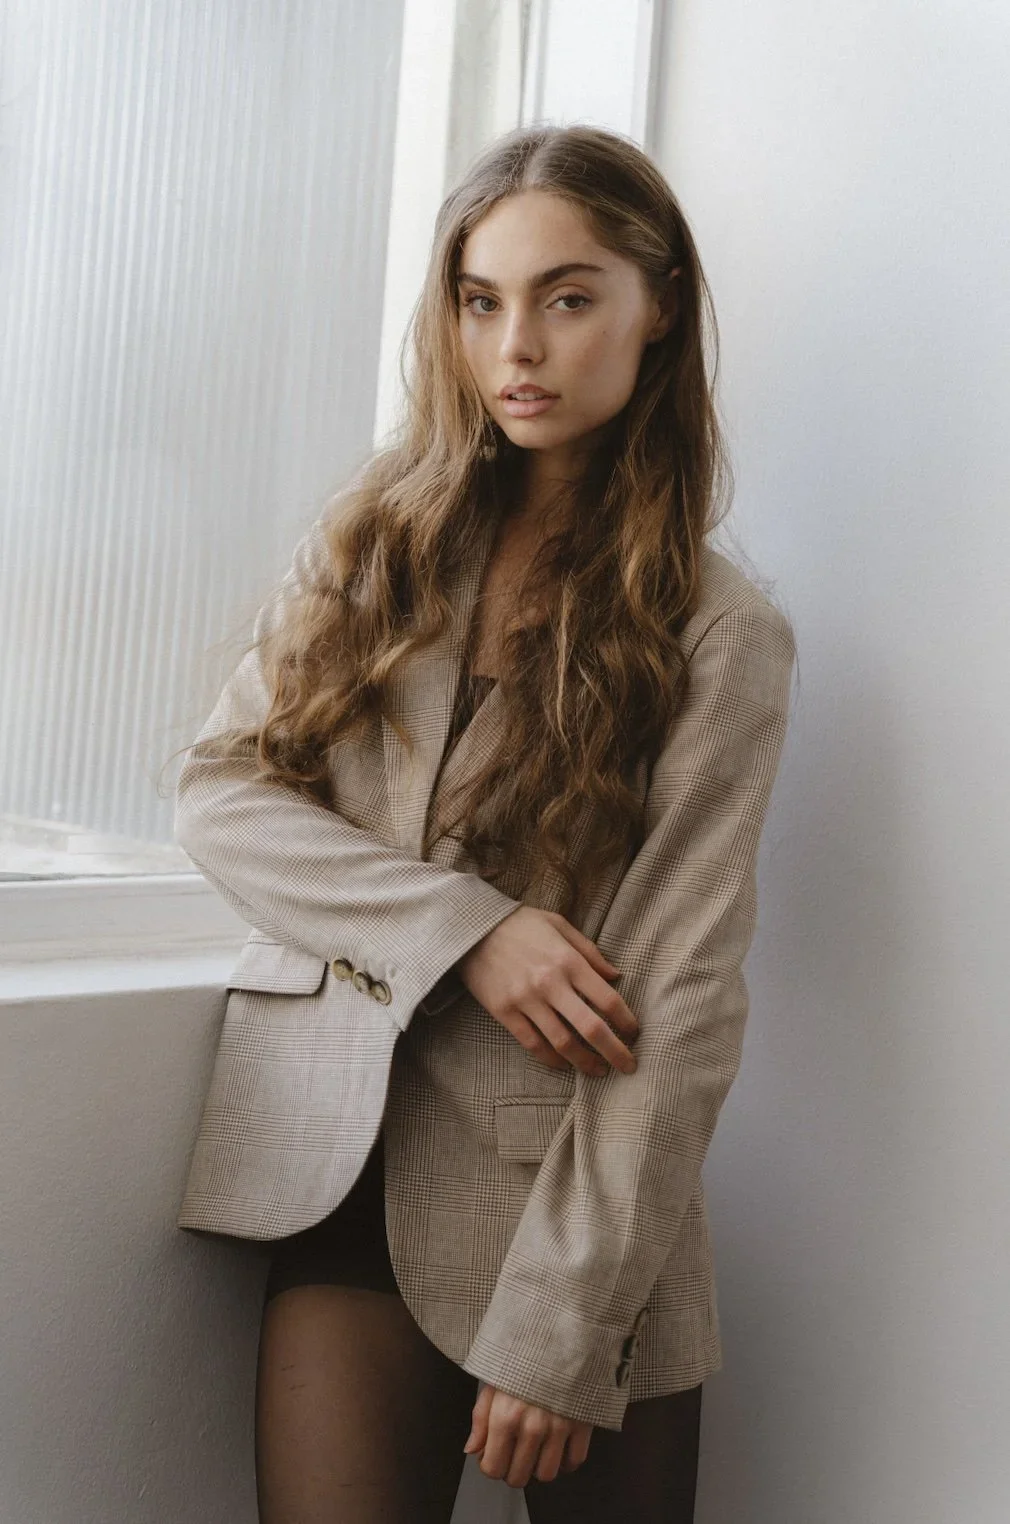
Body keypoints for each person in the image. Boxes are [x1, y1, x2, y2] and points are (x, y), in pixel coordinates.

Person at [172, 123, 797, 1523]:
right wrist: (470, 931)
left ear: (659, 307)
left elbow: (683, 1003)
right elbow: (221, 794)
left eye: (567, 298)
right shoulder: (370, 547)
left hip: (582, 1209)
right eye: (480, 300)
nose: (516, 346)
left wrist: (564, 1326)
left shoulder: (721, 633)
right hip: (341, 1172)